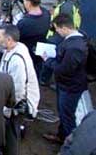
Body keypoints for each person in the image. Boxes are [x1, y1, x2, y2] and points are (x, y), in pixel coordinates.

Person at [42, 14, 89, 144]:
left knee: (67, 116)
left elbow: (64, 69)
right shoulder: (78, 38)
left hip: (70, 87)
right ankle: (62, 136)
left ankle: (70, 145)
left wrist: (48, 61)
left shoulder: (74, 47)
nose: (56, 32)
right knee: (64, 113)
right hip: (67, 85)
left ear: (64, 28)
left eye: (57, 29)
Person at [0, 24, 40, 155]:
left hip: (16, 106)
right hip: (12, 102)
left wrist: (8, 109)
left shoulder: (17, 60)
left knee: (11, 138)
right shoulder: (15, 47)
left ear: (9, 39)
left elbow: (18, 90)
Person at [15, 0, 51, 77]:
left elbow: (15, 37)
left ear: (28, 3)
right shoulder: (46, 13)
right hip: (39, 53)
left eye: (24, 1)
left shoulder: (24, 23)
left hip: (26, 55)